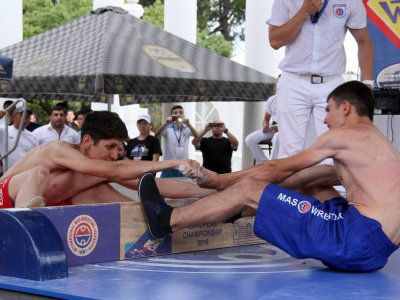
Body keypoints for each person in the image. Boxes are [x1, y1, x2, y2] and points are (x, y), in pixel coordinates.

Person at [139, 81, 400, 272]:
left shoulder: (343, 135)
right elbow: (312, 177)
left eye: (328, 109)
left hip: (354, 240)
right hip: (379, 252)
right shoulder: (383, 145)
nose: (325, 118)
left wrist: (221, 181)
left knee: (249, 188)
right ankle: (233, 208)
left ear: (345, 108)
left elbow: (275, 169)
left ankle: (165, 220)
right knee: (311, 183)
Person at [0, 111, 214, 209]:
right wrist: (172, 162)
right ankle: (22, 229)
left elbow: (154, 184)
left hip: (47, 202)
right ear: (86, 141)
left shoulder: (95, 169)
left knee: (136, 207)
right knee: (40, 173)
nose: (113, 155)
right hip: (5, 198)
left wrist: (210, 191)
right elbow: (117, 170)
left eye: (117, 148)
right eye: (109, 147)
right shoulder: (57, 150)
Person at [267, 0, 374, 162]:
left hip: (332, 84)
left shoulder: (350, 1)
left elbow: (364, 41)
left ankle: (336, 188)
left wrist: (367, 83)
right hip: (293, 81)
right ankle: (290, 188)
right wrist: (303, 12)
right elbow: (275, 41)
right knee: (290, 150)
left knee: (335, 148)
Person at [155, 105, 198, 178]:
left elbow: (196, 136)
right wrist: (165, 124)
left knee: (183, 186)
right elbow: (156, 136)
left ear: (183, 115)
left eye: (180, 112)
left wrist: (189, 124)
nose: (178, 114)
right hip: (169, 165)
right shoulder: (167, 128)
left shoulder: (186, 128)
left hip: (183, 165)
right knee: (166, 185)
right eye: (175, 113)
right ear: (171, 116)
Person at [245, 95, 279, 163]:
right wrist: (265, 125)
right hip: (272, 127)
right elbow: (266, 118)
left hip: (285, 130)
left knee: (277, 137)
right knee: (250, 139)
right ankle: (264, 163)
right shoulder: (272, 99)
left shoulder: (292, 100)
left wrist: (281, 128)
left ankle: (273, 163)